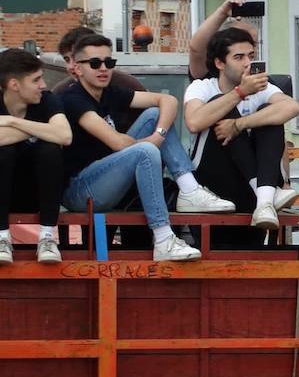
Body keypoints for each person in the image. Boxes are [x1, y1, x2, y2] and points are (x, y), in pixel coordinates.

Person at [60, 33, 231, 262]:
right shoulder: (72, 98)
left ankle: (189, 188)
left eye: (109, 63)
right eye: (94, 63)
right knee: (145, 151)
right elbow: (117, 143)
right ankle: (163, 238)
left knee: (155, 115)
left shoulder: (109, 91)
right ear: (78, 69)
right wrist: (151, 146)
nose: (103, 69)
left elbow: (168, 101)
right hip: (79, 189)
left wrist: (158, 136)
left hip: (108, 178)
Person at [183, 26, 299, 231]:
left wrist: (239, 125)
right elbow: (193, 122)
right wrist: (239, 93)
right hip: (216, 183)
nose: (247, 63)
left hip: (254, 188)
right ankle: (266, 196)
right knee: (221, 104)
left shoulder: (262, 87)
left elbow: (292, 107)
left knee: (268, 112)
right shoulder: (202, 87)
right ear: (219, 63)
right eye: (238, 57)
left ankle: (264, 201)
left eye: (251, 56)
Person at [0, 49, 71, 264]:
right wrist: (43, 128)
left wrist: (12, 122)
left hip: (39, 194)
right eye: (36, 80)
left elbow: (65, 136)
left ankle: (47, 238)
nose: (43, 85)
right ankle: (2, 238)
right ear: (14, 85)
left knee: (50, 149)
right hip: (3, 191)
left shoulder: (46, 100)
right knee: (4, 152)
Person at [55, 25, 145, 128]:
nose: (72, 66)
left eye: (75, 58)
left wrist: (156, 135)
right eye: (67, 60)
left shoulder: (126, 84)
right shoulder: (61, 92)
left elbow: (155, 110)